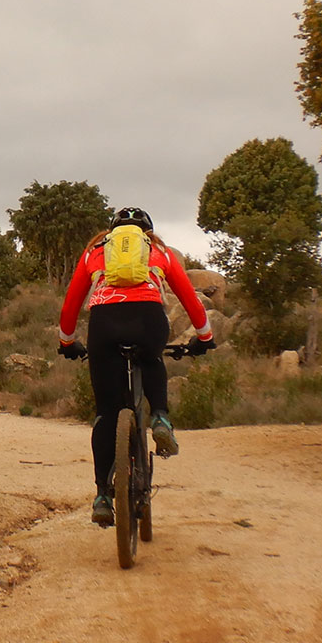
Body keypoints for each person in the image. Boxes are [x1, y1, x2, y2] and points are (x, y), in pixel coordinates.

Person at [56, 206, 214, 527]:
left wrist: (67, 343)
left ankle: (102, 495)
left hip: (105, 324)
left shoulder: (94, 253)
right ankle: (160, 419)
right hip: (148, 319)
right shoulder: (160, 252)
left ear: (112, 231)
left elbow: (71, 304)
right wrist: (204, 337)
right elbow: (189, 298)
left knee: (105, 413)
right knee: (152, 358)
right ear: (147, 232)